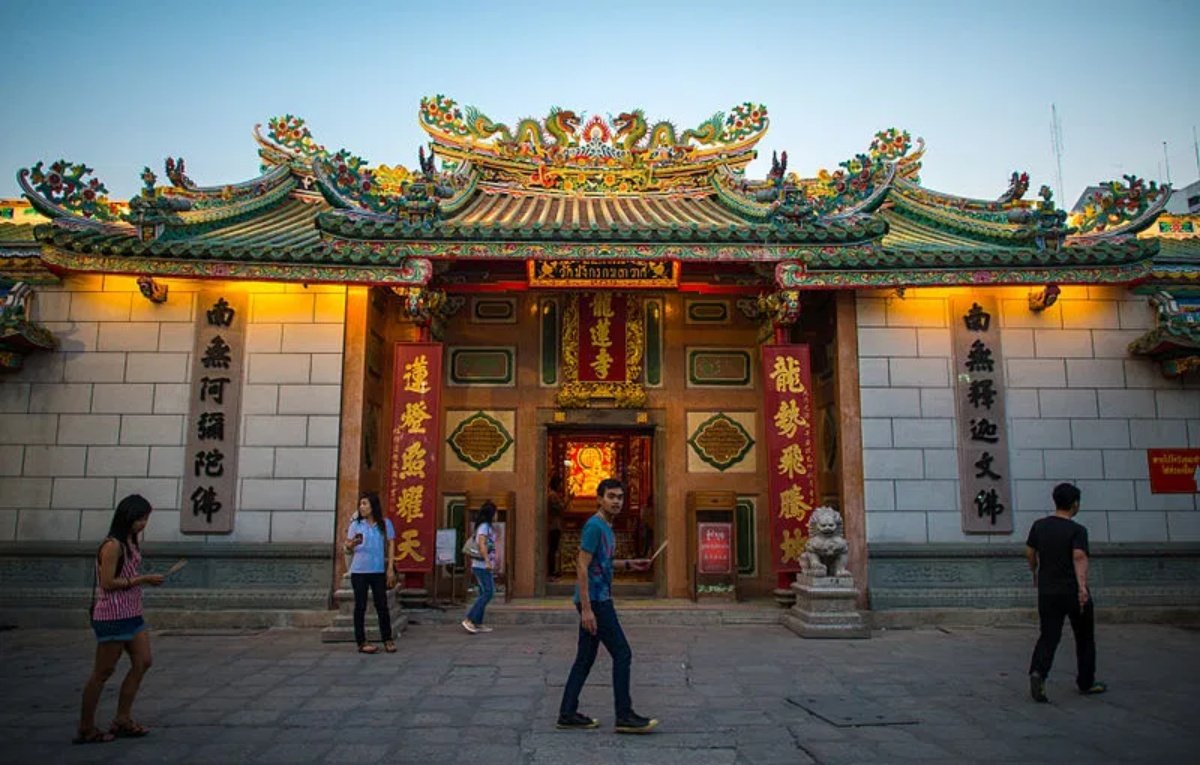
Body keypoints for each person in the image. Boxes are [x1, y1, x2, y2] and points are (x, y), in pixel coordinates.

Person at [557, 478, 657, 733]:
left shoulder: (606, 527)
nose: (616, 501)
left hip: (597, 598)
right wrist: (587, 609)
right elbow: (581, 565)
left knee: (585, 658)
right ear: (599, 499)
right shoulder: (594, 526)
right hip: (597, 602)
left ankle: (567, 713)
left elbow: (602, 563)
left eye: (620, 497)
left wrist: (630, 564)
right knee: (622, 653)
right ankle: (624, 715)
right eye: (611, 496)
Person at [76, 494, 165, 745]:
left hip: (132, 613)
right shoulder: (112, 545)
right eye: (140, 519)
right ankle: (86, 727)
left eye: (146, 519)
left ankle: (122, 718)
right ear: (127, 517)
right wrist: (143, 579)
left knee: (143, 661)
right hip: (113, 615)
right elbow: (107, 583)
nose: (143, 524)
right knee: (102, 672)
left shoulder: (130, 542)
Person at [1026, 482, 1106, 702]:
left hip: (1048, 591)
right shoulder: (1077, 530)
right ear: (1075, 504)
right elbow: (1079, 557)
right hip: (1072, 591)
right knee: (1084, 638)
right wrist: (1082, 588)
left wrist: (1034, 570)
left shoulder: (1039, 526)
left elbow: (1030, 551)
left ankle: (1038, 672)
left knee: (1049, 635)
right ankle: (1086, 681)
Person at [344, 491, 396, 654]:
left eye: (365, 504)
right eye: (360, 504)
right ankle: (361, 641)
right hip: (359, 571)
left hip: (378, 570)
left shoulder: (385, 524)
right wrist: (352, 544)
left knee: (382, 605)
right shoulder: (356, 525)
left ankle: (387, 639)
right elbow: (347, 546)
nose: (362, 507)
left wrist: (390, 569)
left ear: (373, 506)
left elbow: (391, 544)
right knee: (360, 606)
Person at [462, 500, 497, 634]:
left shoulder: (485, 526)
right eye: (495, 513)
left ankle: (477, 622)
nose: (496, 515)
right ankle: (470, 619)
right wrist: (487, 561)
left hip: (482, 565)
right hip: (481, 565)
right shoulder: (484, 527)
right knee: (489, 592)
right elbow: (482, 545)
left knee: (484, 592)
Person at [547, 474, 566, 579]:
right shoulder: (553, 496)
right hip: (554, 526)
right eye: (560, 484)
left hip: (556, 525)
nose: (561, 486)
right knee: (553, 549)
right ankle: (551, 571)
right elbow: (560, 509)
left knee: (554, 549)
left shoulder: (554, 495)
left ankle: (554, 570)